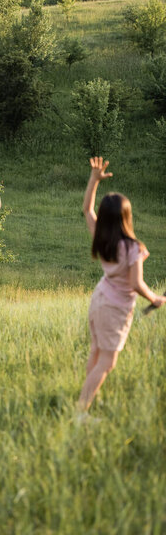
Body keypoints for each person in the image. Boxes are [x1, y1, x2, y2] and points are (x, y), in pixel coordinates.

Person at [77, 157, 166, 414]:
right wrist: (155, 298)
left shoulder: (101, 236)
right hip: (115, 308)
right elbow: (136, 284)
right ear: (127, 217)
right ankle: (81, 412)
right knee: (107, 361)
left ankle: (87, 400)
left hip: (99, 298)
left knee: (96, 353)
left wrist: (94, 179)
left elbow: (87, 210)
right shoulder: (133, 247)